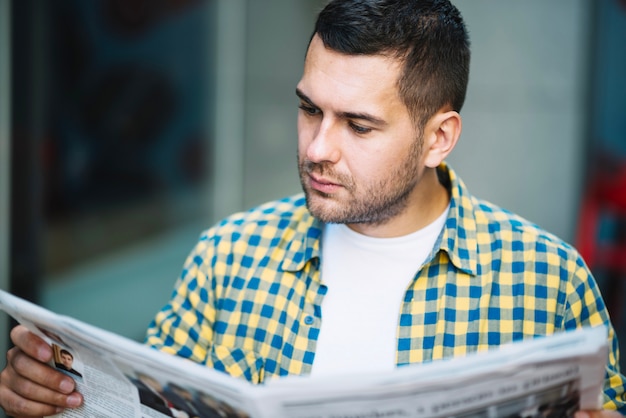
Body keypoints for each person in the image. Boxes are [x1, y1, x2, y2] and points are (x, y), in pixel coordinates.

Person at [0, 1, 624, 417]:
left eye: (358, 125)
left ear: (439, 138)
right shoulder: (229, 253)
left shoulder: (549, 281)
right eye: (309, 110)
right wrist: (51, 399)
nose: (318, 149)